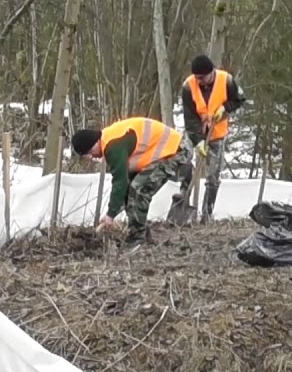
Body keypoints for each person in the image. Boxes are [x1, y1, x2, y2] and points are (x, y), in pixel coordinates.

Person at [70, 117, 194, 248]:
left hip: (177, 150)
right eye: (86, 156)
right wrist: (114, 210)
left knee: (139, 189)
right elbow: (125, 184)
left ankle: (137, 240)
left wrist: (111, 214)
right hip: (165, 152)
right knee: (132, 189)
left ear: (94, 142)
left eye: (89, 152)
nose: (90, 157)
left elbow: (120, 182)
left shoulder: (113, 146)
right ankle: (141, 235)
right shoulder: (110, 141)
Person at [179, 54, 248, 223]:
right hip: (195, 130)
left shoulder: (227, 80)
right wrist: (198, 140)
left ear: (212, 72)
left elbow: (239, 100)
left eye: (202, 77)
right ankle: (182, 196)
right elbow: (190, 118)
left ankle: (206, 215)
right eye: (197, 77)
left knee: (213, 177)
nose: (199, 80)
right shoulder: (188, 86)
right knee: (182, 157)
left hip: (217, 134)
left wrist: (225, 108)